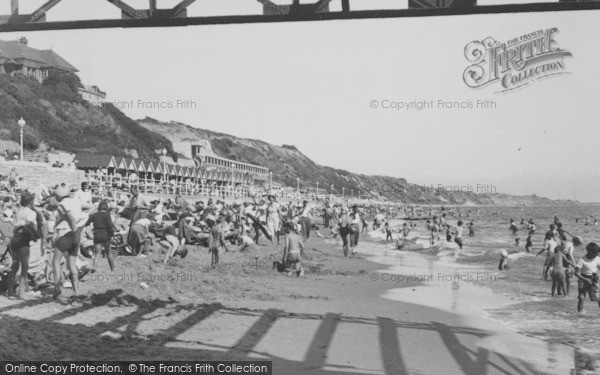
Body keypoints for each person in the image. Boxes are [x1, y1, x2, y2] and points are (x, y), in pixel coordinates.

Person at [7, 191, 46, 299]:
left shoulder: (19, 211)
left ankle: (10, 292)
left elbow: (14, 225)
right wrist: (34, 235)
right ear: (32, 201)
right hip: (23, 239)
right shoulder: (31, 212)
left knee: (14, 266)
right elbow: (28, 224)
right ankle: (21, 293)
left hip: (14, 238)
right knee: (24, 267)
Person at [52, 186, 87, 299]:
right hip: (76, 235)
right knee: (72, 264)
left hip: (66, 233)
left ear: (58, 196)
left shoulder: (62, 204)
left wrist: (73, 228)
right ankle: (76, 291)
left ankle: (57, 288)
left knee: (56, 261)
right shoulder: (76, 201)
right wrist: (79, 225)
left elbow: (70, 218)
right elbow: (89, 208)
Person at [84, 200, 115, 273]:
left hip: (97, 234)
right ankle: (112, 269)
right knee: (109, 253)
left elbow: (87, 223)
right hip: (105, 234)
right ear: (106, 208)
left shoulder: (95, 214)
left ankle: (94, 267)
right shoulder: (107, 215)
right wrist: (112, 235)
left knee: (97, 253)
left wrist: (90, 230)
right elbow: (110, 226)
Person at [574, 242, 600, 312]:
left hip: (594, 278)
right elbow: (576, 273)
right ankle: (580, 314)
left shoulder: (597, 259)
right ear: (590, 252)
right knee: (581, 298)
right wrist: (585, 279)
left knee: (596, 297)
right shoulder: (582, 260)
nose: (597, 254)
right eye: (596, 253)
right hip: (582, 279)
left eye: (598, 253)